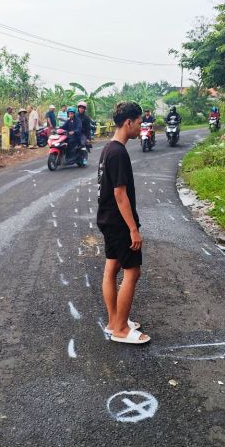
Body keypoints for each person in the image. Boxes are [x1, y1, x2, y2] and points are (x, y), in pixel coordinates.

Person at [97, 101, 149, 345]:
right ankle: (119, 329)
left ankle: (113, 322)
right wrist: (133, 229)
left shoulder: (108, 149)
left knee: (112, 269)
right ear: (128, 122)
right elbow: (120, 194)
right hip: (119, 223)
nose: (141, 127)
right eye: (139, 122)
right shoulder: (118, 152)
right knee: (132, 272)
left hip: (107, 219)